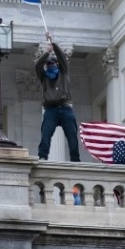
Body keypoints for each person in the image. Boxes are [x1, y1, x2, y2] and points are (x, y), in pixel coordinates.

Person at [35, 32, 80, 162]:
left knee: (72, 136)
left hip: (66, 108)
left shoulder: (63, 72)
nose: (51, 66)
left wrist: (53, 44)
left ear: (56, 64)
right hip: (50, 110)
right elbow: (37, 65)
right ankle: (42, 156)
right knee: (46, 135)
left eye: (53, 64)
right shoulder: (43, 76)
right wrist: (46, 52)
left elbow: (62, 58)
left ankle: (75, 159)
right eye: (48, 64)